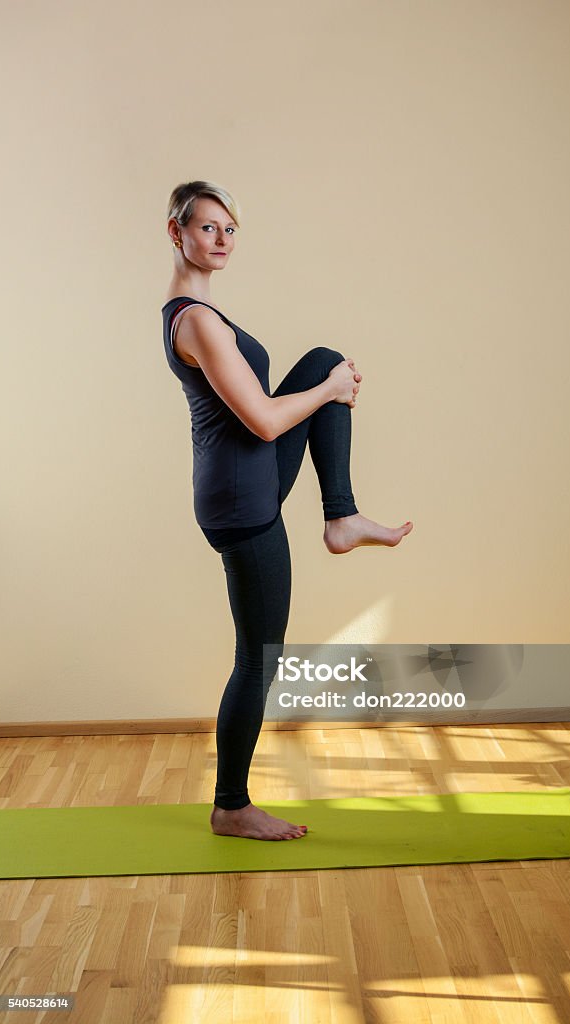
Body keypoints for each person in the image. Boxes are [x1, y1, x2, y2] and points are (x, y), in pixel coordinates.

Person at [162, 180, 413, 841]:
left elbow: (267, 416)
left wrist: (327, 381)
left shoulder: (195, 313)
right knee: (259, 658)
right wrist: (331, 391)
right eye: (208, 228)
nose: (221, 240)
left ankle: (340, 516)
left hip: (243, 479)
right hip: (242, 499)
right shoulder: (196, 322)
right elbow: (267, 420)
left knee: (326, 359)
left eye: (230, 229)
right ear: (177, 232)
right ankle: (231, 805)